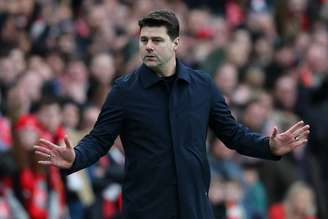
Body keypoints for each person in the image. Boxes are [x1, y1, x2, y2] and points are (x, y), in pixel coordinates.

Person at [33, 9, 310, 219]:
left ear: (176, 43)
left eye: (157, 40)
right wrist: (75, 158)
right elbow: (99, 140)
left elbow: (233, 135)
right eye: (143, 40)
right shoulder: (124, 91)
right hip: (145, 209)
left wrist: (269, 146)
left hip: (195, 207)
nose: (149, 46)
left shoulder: (202, 85)